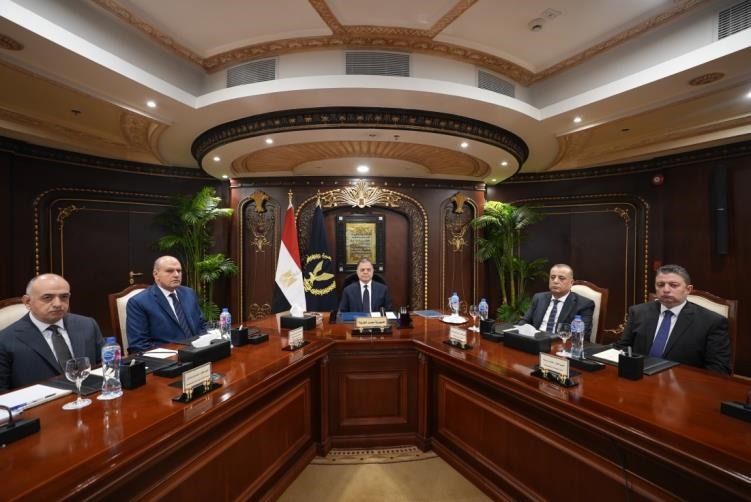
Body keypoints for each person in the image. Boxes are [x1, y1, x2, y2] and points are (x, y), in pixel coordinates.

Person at [616, 264, 731, 374]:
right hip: (638, 376)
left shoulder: (712, 322)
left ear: (688, 289)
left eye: (673, 285)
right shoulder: (638, 312)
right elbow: (621, 348)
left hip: (683, 383)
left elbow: (718, 369)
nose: (666, 290)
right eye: (660, 285)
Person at [0, 274, 103, 391]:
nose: (58, 304)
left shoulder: (87, 325)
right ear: (28, 302)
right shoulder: (5, 340)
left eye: (64, 297)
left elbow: (104, 366)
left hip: (90, 396)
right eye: (47, 297)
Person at [126, 256, 206, 353]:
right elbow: (139, 345)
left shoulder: (189, 293)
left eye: (179, 271)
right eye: (169, 271)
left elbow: (202, 325)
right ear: (156, 275)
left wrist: (206, 345)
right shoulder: (138, 302)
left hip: (199, 351)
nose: (176, 275)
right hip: (168, 357)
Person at [519, 264, 594, 338]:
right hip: (535, 340)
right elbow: (525, 321)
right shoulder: (539, 298)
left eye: (561, 278)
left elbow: (581, 334)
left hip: (561, 342)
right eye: (552, 277)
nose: (555, 281)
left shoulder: (584, 304)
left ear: (571, 282)